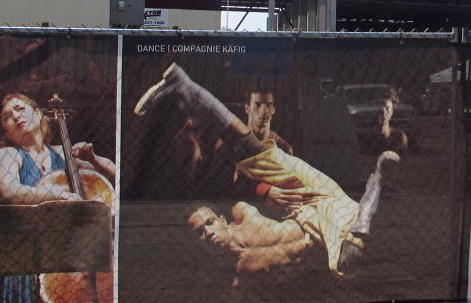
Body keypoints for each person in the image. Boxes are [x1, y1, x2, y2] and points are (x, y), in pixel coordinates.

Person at [134, 63, 396, 278]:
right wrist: (379, 172)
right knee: (246, 144)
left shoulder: (338, 236)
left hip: (306, 189)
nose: (262, 112)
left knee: (247, 146)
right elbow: (367, 209)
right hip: (304, 185)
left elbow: (368, 204)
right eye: (256, 105)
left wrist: (379, 173)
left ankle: (189, 94)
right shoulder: (348, 230)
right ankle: (185, 87)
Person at [0, 93, 115, 303]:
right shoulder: (9, 153)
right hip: (28, 249)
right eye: (7, 116)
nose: (15, 116)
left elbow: (111, 176)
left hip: (64, 247)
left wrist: (93, 159)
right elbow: (9, 189)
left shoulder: (61, 153)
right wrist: (58, 195)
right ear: (6, 130)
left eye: (20, 109)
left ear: (38, 114)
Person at [187, 150, 398, 284]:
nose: (208, 231)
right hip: (325, 255)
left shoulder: (241, 213)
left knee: (358, 222)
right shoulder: (242, 271)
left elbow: (239, 183)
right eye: (200, 232)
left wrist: (265, 190)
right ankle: (378, 178)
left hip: (311, 217)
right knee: (356, 241)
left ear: (222, 220)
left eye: (210, 222)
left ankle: (378, 175)